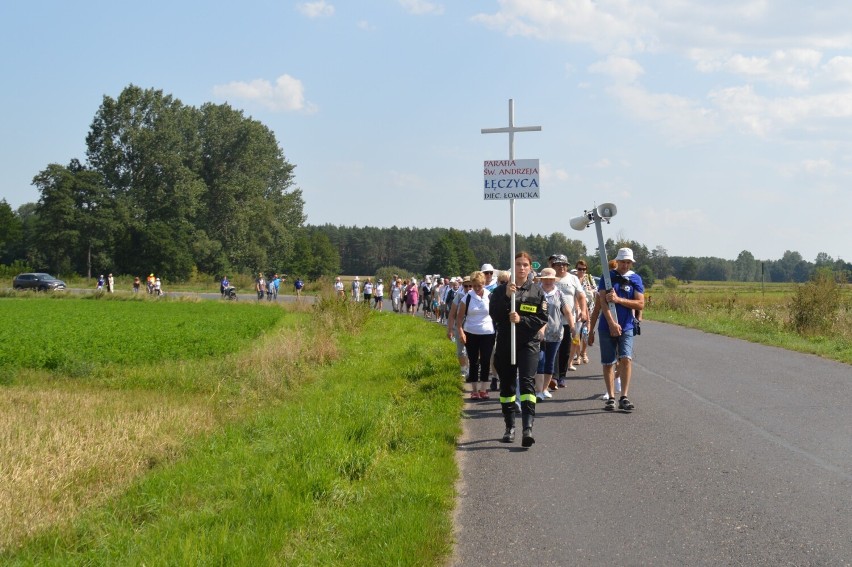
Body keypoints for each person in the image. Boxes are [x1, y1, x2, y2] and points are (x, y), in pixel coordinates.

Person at [490, 252, 548, 447]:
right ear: (512, 267)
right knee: (507, 386)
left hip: (528, 344)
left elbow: (541, 318)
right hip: (506, 343)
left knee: (527, 383)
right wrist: (507, 297)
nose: (521, 268)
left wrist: (521, 319)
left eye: (525, 265)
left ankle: (527, 428)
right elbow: (495, 315)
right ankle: (509, 427)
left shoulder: (537, 292)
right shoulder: (500, 291)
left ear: (530, 268)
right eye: (518, 264)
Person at [588, 248, 645, 412]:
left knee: (626, 358)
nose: (625, 265)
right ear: (617, 261)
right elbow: (602, 304)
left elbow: (640, 304)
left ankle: (624, 396)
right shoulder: (607, 277)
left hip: (627, 325)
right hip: (606, 327)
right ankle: (611, 396)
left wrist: (619, 300)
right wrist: (610, 323)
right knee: (608, 362)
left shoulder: (635, 279)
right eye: (622, 262)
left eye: (628, 262)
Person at [533, 267, 575, 400]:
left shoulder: (559, 294)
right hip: (538, 333)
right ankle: (538, 390)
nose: (548, 282)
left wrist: (572, 326)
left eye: (551, 279)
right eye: (545, 279)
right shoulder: (535, 292)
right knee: (540, 360)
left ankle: (544, 389)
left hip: (555, 333)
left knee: (550, 362)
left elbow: (567, 311)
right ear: (541, 280)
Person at [549, 254, 588, 387]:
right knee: (554, 348)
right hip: (552, 320)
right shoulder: (550, 277)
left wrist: (583, 311)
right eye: (558, 264)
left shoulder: (573, 279)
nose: (562, 267)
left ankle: (561, 376)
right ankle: (553, 376)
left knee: (565, 349)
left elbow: (581, 296)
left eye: (564, 264)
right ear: (553, 266)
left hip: (568, 319)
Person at [456, 271, 496, 400]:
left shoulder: (490, 296)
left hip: (488, 333)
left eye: (480, 285)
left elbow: (496, 314)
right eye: (475, 286)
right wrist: (461, 332)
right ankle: (474, 390)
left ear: (484, 284)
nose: (477, 288)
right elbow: (459, 318)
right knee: (473, 361)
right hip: (471, 332)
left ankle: (483, 389)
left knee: (485, 360)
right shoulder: (466, 298)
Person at [446, 276, 471, 378]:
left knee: (472, 351)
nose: (468, 288)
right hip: (460, 326)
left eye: (471, 286)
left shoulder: (478, 296)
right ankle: (463, 369)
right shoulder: (459, 296)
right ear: (463, 286)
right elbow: (452, 314)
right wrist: (450, 329)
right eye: (466, 286)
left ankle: (470, 369)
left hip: (472, 327)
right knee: (461, 351)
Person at [575, 260, 596, 364]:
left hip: (589, 309)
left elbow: (595, 290)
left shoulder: (589, 278)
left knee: (585, 333)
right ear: (576, 269)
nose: (582, 271)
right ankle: (578, 355)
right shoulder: (573, 279)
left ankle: (584, 352)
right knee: (576, 334)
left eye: (584, 269)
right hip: (576, 309)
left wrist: (590, 291)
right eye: (579, 269)